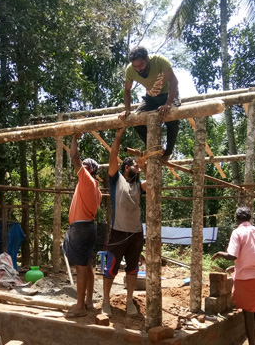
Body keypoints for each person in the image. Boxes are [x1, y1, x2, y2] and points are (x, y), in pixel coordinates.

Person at [211, 207, 255, 345]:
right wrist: (237, 266)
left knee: (248, 312)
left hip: (247, 278)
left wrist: (218, 254)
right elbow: (253, 255)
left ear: (237, 219)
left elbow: (232, 255)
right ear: (250, 218)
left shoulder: (238, 232)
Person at [102, 127, 147, 317]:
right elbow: (113, 157)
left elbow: (153, 179)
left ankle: (129, 301)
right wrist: (118, 135)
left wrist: (144, 164)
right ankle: (105, 300)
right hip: (118, 231)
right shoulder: (116, 180)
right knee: (111, 267)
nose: (139, 169)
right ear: (127, 167)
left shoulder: (139, 185)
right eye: (136, 166)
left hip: (136, 234)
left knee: (133, 268)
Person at [62, 133, 102, 317]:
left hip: (80, 229)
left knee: (80, 267)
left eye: (85, 167)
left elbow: (74, 157)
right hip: (89, 228)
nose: (81, 168)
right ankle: (88, 303)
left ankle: (79, 306)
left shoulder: (86, 179)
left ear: (89, 170)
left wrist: (75, 137)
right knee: (87, 265)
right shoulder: (97, 190)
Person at [118, 46, 180, 161]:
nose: (138, 69)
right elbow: (127, 90)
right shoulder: (130, 70)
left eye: (140, 65)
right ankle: (155, 146)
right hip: (151, 97)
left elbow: (174, 81)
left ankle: (168, 152)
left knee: (172, 118)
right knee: (135, 120)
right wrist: (127, 109)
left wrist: (168, 103)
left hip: (168, 94)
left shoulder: (159, 61)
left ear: (147, 59)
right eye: (135, 66)